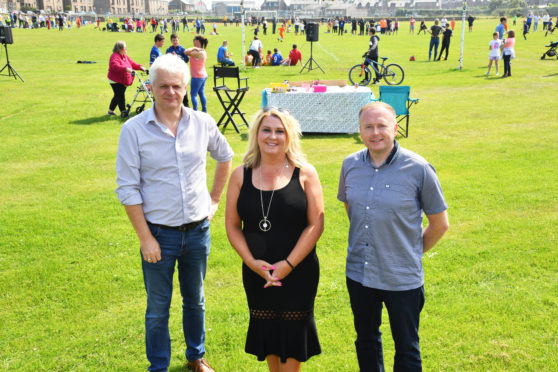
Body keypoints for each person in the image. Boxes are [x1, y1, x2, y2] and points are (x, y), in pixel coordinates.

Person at [115, 53, 233, 372]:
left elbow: (225, 156)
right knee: (158, 307)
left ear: (186, 87)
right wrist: (145, 239)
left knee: (195, 300)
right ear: (151, 87)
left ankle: (196, 356)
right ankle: (159, 366)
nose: (171, 92)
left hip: (197, 231)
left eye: (177, 86)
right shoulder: (134, 130)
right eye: (163, 86)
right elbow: (127, 188)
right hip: (158, 235)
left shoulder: (202, 123)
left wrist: (214, 201)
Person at [338, 102, 449, 372]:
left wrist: (408, 252)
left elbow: (440, 223)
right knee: (366, 341)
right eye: (368, 127)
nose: (375, 132)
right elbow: (350, 207)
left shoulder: (419, 168)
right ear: (360, 131)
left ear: (395, 128)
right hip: (359, 273)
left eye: (382, 126)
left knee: (407, 347)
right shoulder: (350, 165)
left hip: (402, 278)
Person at [225, 107, 324, 372]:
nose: (273, 136)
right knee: (267, 336)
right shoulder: (240, 174)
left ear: (290, 136)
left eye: (280, 131)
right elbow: (233, 226)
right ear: (256, 134)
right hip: (258, 274)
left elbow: (316, 224)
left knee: (292, 341)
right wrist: (252, 263)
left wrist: (288, 265)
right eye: (266, 130)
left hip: (298, 272)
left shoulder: (305, 173)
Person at [107, 41, 146, 118]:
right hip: (115, 80)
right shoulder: (114, 56)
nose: (126, 49)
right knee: (120, 96)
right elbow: (115, 66)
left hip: (122, 80)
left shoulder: (124, 56)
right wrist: (125, 68)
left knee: (117, 95)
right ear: (120, 49)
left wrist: (140, 67)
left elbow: (131, 63)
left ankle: (110, 111)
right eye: (125, 48)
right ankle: (123, 112)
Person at [166, 33, 191, 107]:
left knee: (183, 86)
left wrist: (177, 57)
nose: (175, 42)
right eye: (173, 40)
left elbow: (187, 60)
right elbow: (166, 60)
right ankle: (175, 102)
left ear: (178, 40)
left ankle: (186, 103)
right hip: (172, 72)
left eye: (176, 40)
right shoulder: (169, 50)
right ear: (171, 41)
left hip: (181, 72)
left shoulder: (182, 49)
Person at [185, 35, 208, 112]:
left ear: (198, 41)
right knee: (201, 93)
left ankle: (196, 111)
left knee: (193, 95)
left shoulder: (197, 52)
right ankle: (204, 110)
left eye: (194, 39)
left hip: (197, 76)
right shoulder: (203, 51)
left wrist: (193, 48)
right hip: (203, 75)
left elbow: (185, 52)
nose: (193, 41)